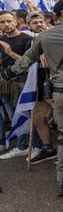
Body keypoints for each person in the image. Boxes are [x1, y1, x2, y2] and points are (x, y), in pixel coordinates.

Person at [0, 0, 63, 197]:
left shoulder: (43, 37)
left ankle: (62, 181)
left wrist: (6, 74)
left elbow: (24, 62)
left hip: (59, 96)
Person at [0, 11, 36, 159]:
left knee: (23, 115)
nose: (6, 24)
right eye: (2, 22)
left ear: (16, 21)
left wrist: (10, 52)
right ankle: (22, 144)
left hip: (23, 83)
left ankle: (26, 146)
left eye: (9, 21)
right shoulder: (1, 39)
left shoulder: (27, 39)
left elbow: (29, 63)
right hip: (5, 84)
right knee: (12, 115)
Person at [25, 12, 57, 164]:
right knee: (38, 118)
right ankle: (48, 148)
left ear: (46, 22)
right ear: (29, 27)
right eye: (34, 23)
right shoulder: (31, 42)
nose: (38, 24)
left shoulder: (56, 36)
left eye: (40, 21)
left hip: (59, 86)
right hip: (39, 85)